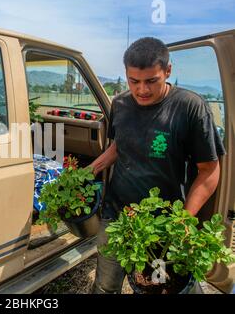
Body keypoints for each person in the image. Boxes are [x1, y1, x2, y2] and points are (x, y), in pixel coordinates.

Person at [89, 37, 226, 294]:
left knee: (164, 287)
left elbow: (209, 170)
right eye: (134, 81)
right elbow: (119, 146)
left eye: (152, 81)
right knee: (105, 285)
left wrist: (182, 222)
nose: (142, 90)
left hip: (162, 224)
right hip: (117, 212)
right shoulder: (119, 104)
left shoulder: (190, 107)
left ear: (168, 71)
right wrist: (90, 170)